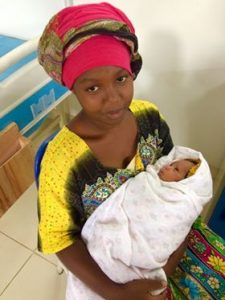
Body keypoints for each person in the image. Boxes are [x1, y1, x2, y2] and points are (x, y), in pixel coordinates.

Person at [37, 2, 225, 300]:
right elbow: (59, 237)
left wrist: (170, 258)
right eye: (93, 88)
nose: (113, 98)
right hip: (108, 271)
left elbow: (176, 187)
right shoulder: (62, 161)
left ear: (132, 72)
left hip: (166, 244)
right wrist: (115, 293)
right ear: (72, 88)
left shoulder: (149, 117)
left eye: (121, 79)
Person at [74, 146, 212, 299]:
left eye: (176, 169)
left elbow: (174, 230)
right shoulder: (148, 181)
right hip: (109, 246)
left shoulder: (181, 202)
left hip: (147, 260)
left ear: (185, 185)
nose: (168, 166)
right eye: (172, 163)